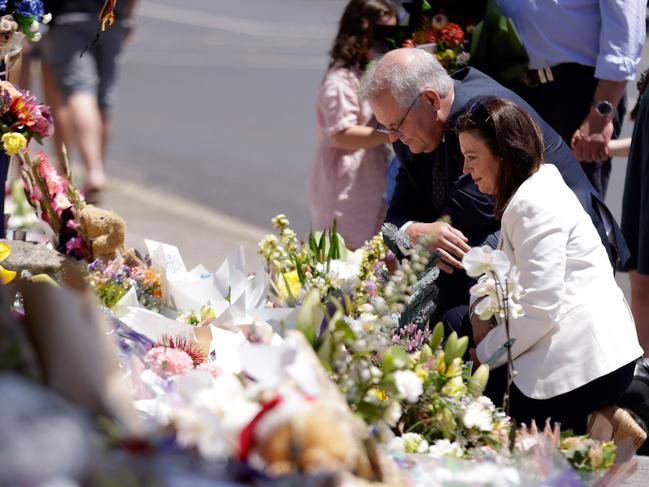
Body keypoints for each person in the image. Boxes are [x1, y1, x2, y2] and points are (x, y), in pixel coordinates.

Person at [358, 48, 628, 322]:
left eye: (397, 125)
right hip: (497, 242)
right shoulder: (415, 129)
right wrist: (414, 231)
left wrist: (425, 244)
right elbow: (395, 220)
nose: (393, 137)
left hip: (566, 259)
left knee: (449, 311)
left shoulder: (483, 118)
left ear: (430, 99)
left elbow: (470, 224)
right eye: (385, 127)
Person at [456, 96, 642, 433]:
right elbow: (498, 274)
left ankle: (589, 423)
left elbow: (539, 310)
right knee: (462, 334)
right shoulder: (533, 190)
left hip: (591, 365)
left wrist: (482, 356)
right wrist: (478, 309)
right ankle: (589, 424)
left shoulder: (532, 203)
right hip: (581, 350)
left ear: (504, 155)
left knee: (475, 400)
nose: (465, 169)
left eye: (472, 157)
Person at [495, 0, 646, 198]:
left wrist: (600, 115)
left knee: (576, 208)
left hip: (575, 96)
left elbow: (624, 34)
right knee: (516, 206)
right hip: (512, 86)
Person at [308, 0, 396, 250]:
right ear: (361, 32)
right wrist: (391, 135)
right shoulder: (340, 81)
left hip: (368, 178)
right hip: (346, 182)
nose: (387, 41)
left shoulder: (364, 74)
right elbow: (342, 134)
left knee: (369, 251)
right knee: (344, 252)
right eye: (382, 33)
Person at [41, 0, 138, 200]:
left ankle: (94, 171)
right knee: (103, 99)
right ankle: (96, 169)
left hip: (71, 14)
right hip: (113, 16)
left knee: (79, 92)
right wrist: (128, 14)